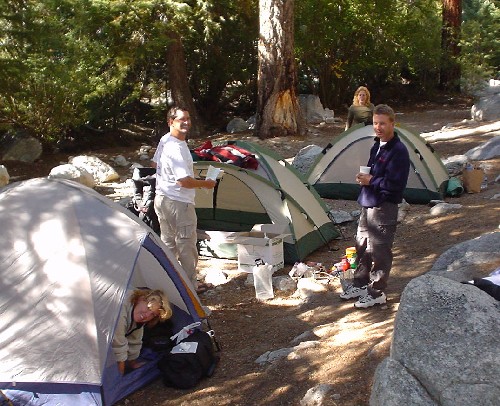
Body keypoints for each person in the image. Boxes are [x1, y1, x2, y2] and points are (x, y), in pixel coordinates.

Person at [340, 104, 410, 308]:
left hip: (385, 205)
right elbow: (374, 173)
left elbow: (396, 185)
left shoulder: (399, 151)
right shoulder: (376, 144)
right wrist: (364, 178)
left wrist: (372, 181)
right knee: (361, 244)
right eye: (375, 123)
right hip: (368, 201)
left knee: (380, 250)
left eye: (382, 124)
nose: (378, 127)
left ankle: (377, 291)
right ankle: (360, 283)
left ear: (392, 124)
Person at [153, 106, 216, 293]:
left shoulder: (166, 140)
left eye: (188, 118)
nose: (186, 122)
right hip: (179, 203)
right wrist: (206, 184)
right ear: (171, 122)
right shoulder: (176, 149)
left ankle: (171, 283)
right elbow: (183, 182)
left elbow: (154, 163)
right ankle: (190, 286)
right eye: (182, 120)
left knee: (168, 244)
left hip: (162, 198)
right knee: (187, 244)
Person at [112, 288, 173, 375]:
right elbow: (117, 343)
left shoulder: (137, 313)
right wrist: (120, 375)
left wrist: (132, 363)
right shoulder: (120, 308)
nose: (147, 315)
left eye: (153, 314)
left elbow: (134, 339)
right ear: (141, 299)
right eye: (148, 308)